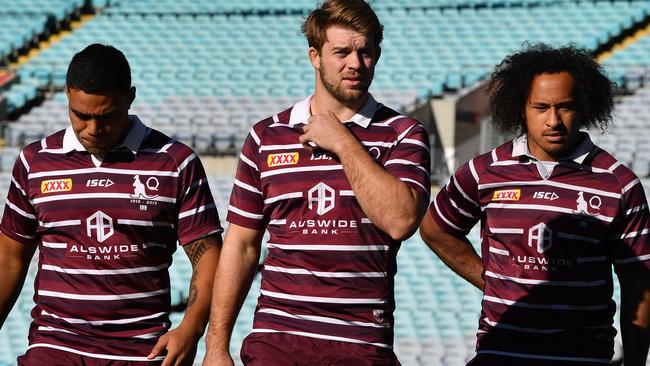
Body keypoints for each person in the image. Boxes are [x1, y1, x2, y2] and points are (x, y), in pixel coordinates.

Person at [202, 0, 431, 364]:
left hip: (360, 341)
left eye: (365, 52)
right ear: (315, 56)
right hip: (277, 338)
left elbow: (400, 221)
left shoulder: (402, 134)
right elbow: (242, 246)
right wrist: (216, 346)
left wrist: (342, 141)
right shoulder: (267, 135)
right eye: (341, 52)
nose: (355, 64)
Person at [419, 43, 650, 365]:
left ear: (584, 106)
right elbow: (436, 230)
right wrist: (492, 282)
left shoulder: (620, 184)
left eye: (565, 107)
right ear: (520, 109)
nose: (553, 121)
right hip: (501, 352)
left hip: (582, 356)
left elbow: (639, 284)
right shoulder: (482, 172)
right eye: (541, 107)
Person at [0, 44, 223, 365]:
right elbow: (9, 258)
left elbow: (209, 256)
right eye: (81, 115)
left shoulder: (174, 162)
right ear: (67, 96)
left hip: (141, 349)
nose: (92, 129)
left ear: (129, 98)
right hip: (55, 343)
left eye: (106, 116)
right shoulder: (37, 162)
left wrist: (191, 329)